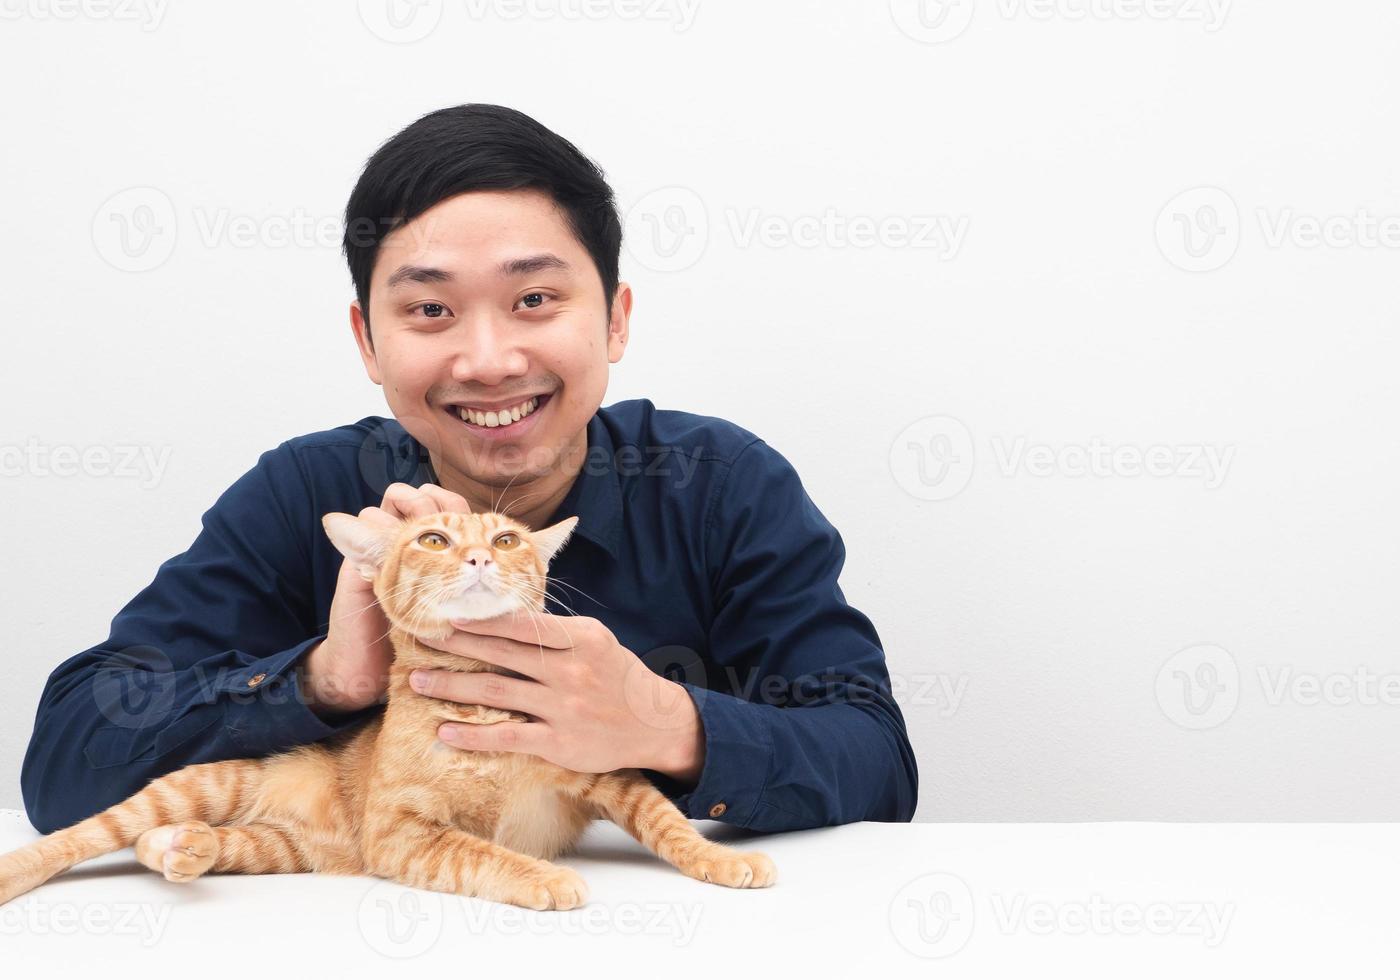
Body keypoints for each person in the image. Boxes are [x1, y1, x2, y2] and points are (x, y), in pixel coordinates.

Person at [20, 103, 918, 836]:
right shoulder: (306, 494)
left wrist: (666, 724)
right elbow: (66, 762)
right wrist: (328, 680)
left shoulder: (720, 483)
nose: (487, 361)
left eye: (534, 299)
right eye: (431, 308)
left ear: (614, 320)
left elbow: (876, 764)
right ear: (368, 342)